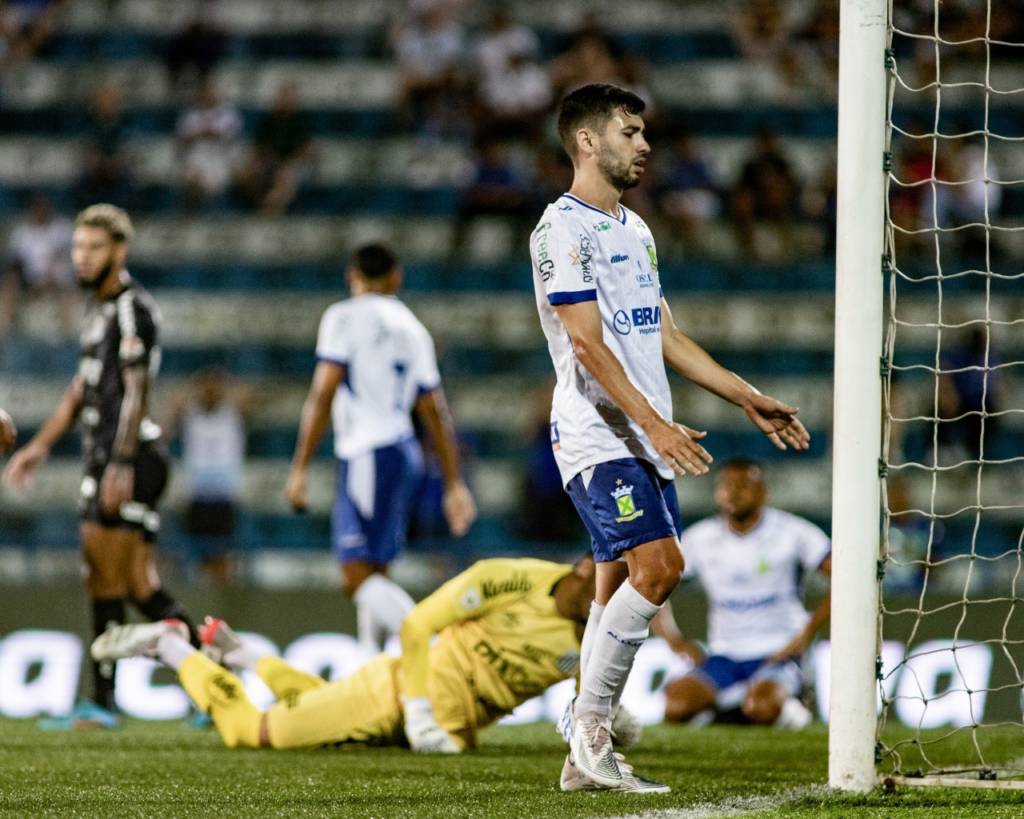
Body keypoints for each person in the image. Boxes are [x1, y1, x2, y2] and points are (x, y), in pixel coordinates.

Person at [530, 83, 810, 792]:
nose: (645, 145)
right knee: (660, 568)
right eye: (629, 132)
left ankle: (580, 755)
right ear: (587, 140)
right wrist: (653, 423)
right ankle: (591, 726)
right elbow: (586, 344)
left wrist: (746, 396)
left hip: (645, 437)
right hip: (599, 433)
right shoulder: (561, 229)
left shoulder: (636, 229)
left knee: (615, 585)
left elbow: (668, 335)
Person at [90, 556, 660, 791]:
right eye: (612, 586)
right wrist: (418, 711)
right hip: (395, 696)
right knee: (250, 731)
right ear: (586, 568)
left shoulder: (592, 639)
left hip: (446, 731)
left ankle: (242, 657)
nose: (616, 603)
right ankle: (171, 647)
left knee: (317, 707)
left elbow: (581, 694)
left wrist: (609, 716)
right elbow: (416, 625)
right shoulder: (510, 579)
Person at [2, 204, 198, 729]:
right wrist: (41, 445)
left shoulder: (133, 308)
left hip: (126, 459)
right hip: (117, 458)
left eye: (94, 247)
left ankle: (103, 702)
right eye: (76, 247)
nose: (82, 257)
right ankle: (216, 678)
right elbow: (80, 389)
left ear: (120, 251)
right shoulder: (98, 311)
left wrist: (121, 461)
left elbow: (137, 390)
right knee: (138, 586)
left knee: (103, 579)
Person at [285, 243, 476, 653]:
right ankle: (372, 666)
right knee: (377, 570)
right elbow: (434, 410)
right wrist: (453, 482)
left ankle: (435, 648)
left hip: (367, 451)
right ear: (396, 278)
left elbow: (323, 392)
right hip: (403, 450)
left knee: (354, 574)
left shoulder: (343, 317)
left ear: (352, 276)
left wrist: (299, 467)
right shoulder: (413, 328)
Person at [656, 459, 831, 728]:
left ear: (764, 493)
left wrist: (806, 633)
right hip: (724, 656)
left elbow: (844, 578)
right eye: (726, 486)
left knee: (762, 707)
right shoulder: (699, 538)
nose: (734, 492)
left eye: (744, 485)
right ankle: (731, 708)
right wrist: (674, 641)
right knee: (677, 707)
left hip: (778, 653)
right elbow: (656, 589)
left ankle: (793, 706)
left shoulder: (794, 532)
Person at [165, 368, 253, 583]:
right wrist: (192, 388)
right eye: (206, 388)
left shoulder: (232, 415)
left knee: (223, 553)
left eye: (214, 388)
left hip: (224, 495)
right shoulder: (190, 415)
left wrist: (225, 385)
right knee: (197, 555)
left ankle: (221, 589)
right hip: (197, 494)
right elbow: (167, 426)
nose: (210, 392)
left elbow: (250, 396)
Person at [0, 194, 76, 338]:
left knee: (63, 279)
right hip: (30, 279)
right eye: (37, 209)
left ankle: (69, 334)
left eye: (43, 208)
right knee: (9, 284)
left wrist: (45, 281)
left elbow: (61, 257)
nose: (40, 212)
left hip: (55, 278)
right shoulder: (22, 232)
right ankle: (4, 332)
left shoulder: (62, 228)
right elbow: (15, 261)